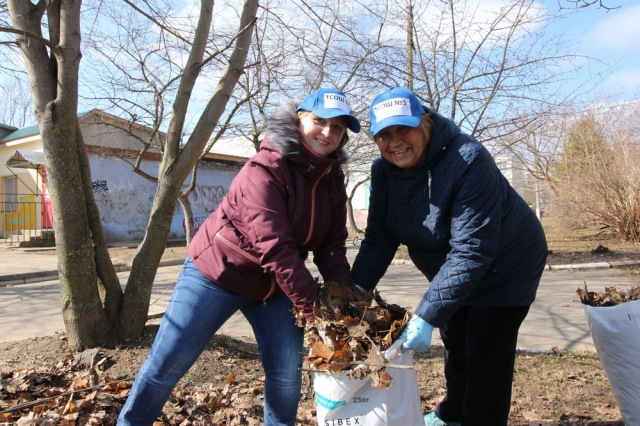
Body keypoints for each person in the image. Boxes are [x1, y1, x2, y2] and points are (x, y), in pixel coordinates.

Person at [118, 88, 361, 426]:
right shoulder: (265, 168)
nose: (328, 133)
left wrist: (346, 302)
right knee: (167, 365)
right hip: (218, 274)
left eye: (338, 128)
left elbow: (332, 246)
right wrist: (315, 311)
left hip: (275, 287)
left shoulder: (332, 179)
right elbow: (274, 246)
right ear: (298, 120)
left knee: (286, 374)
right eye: (319, 121)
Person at [351, 87, 547, 426]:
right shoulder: (383, 172)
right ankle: (453, 414)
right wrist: (354, 291)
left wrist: (427, 315)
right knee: (456, 342)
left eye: (403, 129)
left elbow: (473, 248)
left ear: (425, 123)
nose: (395, 142)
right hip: (450, 269)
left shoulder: (467, 159)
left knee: (485, 356)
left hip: (507, 265)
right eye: (384, 134)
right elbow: (380, 239)